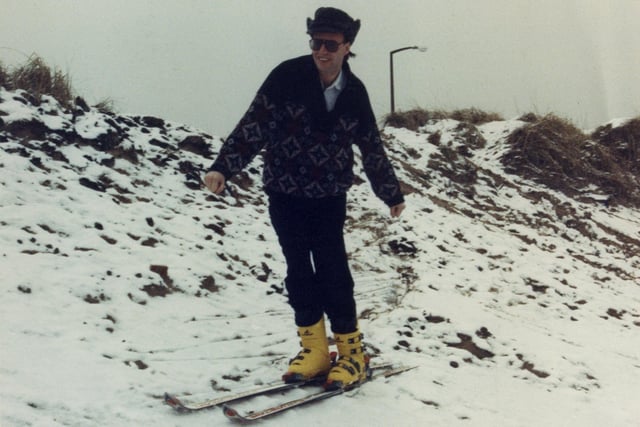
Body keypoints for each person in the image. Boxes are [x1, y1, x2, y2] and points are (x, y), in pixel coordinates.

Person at [204, 7, 405, 390]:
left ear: (347, 46)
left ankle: (351, 353)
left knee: (331, 269)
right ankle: (313, 350)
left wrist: (389, 191)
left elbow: (370, 145)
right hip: (283, 190)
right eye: (316, 42)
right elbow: (253, 125)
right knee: (298, 268)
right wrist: (223, 168)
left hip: (328, 195)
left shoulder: (354, 92)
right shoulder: (286, 76)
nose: (321, 51)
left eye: (331, 44)